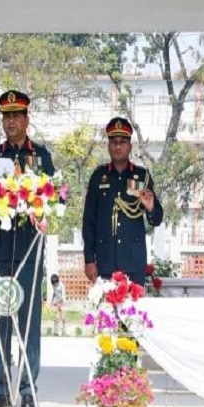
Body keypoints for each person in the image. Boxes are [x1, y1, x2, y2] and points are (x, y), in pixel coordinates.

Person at [0, 90, 55, 407]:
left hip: (29, 249)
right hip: (0, 249)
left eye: (16, 115)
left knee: (28, 321)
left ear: (27, 119)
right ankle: (1, 389)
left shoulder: (41, 156)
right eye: (6, 116)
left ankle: (27, 389)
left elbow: (54, 198)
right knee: (0, 321)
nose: (11, 121)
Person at [82, 117, 163, 286]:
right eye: (114, 142)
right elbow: (89, 221)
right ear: (108, 146)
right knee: (105, 304)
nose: (118, 146)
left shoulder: (142, 176)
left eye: (123, 142)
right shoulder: (98, 177)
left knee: (134, 304)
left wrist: (150, 208)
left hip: (133, 263)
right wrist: (89, 259)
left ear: (130, 146)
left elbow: (156, 219)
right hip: (105, 261)